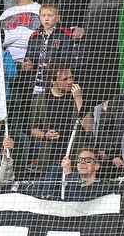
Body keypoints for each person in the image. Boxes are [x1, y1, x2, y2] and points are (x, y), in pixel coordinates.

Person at [29, 60, 93, 190]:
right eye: (64, 79)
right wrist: (45, 135)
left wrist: (79, 100)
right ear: (53, 81)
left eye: (71, 77)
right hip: (50, 162)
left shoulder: (77, 96)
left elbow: (89, 127)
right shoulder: (41, 99)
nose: (70, 82)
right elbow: (33, 129)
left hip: (75, 161)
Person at [0, 0, 41, 66]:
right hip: (7, 64)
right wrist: (23, 32)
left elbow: (36, 39)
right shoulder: (6, 13)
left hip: (32, 63)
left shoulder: (40, 9)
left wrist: (11, 36)